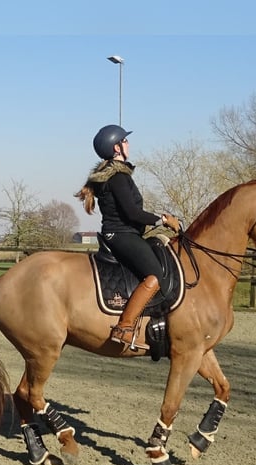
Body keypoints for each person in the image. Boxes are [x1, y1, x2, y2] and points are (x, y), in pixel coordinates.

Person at [75, 124, 180, 350]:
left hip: (121, 233)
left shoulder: (114, 175)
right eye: (125, 141)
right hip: (121, 235)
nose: (128, 144)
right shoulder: (118, 177)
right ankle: (125, 326)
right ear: (116, 147)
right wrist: (163, 220)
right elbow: (132, 213)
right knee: (155, 275)